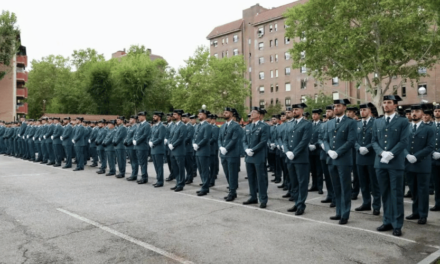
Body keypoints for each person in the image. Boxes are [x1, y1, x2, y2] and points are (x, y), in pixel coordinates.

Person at [372, 95, 409, 237]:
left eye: (389, 103)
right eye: (384, 102)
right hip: (380, 163)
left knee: (396, 194)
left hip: (395, 163)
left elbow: (404, 141)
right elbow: (374, 140)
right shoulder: (378, 121)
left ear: (395, 105)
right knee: (385, 193)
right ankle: (387, 220)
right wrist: (382, 153)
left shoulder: (403, 121)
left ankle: (397, 224)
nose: (386, 105)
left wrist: (391, 154)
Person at [322, 99, 357, 225]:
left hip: (343, 160)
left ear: (344, 108)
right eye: (334, 106)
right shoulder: (329, 123)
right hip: (331, 159)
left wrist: (338, 152)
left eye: (338, 106)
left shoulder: (350, 122)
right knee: (335, 187)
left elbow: (351, 141)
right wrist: (329, 151)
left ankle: (345, 214)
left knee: (345, 187)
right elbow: (325, 140)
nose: (336, 108)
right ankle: (338, 212)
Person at [404, 104, 434, 225]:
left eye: (417, 111)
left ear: (422, 113)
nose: (414, 113)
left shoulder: (429, 128)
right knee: (413, 190)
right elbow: (402, 143)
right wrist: (407, 155)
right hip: (409, 164)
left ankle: (423, 215)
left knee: (422, 191)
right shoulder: (406, 127)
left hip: (422, 164)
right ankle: (415, 212)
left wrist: (416, 156)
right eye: (412, 111)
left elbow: (430, 146)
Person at [283, 103, 312, 215]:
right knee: (293, 182)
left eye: (296, 109)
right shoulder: (289, 124)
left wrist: (294, 153)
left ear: (301, 111)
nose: (294, 111)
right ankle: (296, 202)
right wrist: (287, 151)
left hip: (301, 158)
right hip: (290, 158)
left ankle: (301, 205)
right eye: (293, 110)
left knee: (302, 182)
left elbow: (304, 141)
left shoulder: (307, 124)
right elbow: (285, 140)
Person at [355, 103, 381, 216]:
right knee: (363, 182)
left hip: (371, 157)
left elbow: (377, 139)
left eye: (364, 109)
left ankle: (376, 206)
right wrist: (359, 147)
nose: (362, 112)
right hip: (360, 156)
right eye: (361, 110)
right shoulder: (357, 124)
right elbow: (353, 139)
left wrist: (367, 148)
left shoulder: (375, 122)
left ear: (370, 111)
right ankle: (366, 203)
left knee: (374, 183)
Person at [243, 107, 269, 208]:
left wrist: (252, 150)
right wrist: (246, 149)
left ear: (259, 115)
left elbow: (263, 141)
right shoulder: (248, 126)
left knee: (260, 178)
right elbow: (244, 140)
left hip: (258, 156)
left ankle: (263, 199)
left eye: (254, 112)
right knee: (251, 178)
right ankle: (253, 197)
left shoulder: (264, 126)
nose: (252, 114)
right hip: (249, 156)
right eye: (251, 112)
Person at [219, 107, 241, 201]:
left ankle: (232, 192)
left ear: (232, 114)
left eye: (226, 112)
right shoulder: (223, 126)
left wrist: (226, 148)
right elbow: (219, 138)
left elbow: (234, 139)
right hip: (223, 154)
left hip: (232, 153)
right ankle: (232, 191)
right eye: (224, 112)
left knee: (232, 174)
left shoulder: (236, 125)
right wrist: (220, 147)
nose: (224, 114)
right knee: (227, 173)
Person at [319, 106, 336, 207]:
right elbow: (320, 137)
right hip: (324, 154)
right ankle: (329, 195)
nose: (327, 113)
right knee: (327, 177)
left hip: (333, 153)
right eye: (326, 111)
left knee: (333, 178)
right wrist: (322, 144)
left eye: (329, 111)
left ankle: (335, 197)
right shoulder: (324, 124)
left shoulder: (335, 123)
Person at [193, 109, 212, 196]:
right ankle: (204, 186)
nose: (198, 115)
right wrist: (194, 143)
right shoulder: (197, 125)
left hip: (203, 151)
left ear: (205, 115)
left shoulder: (207, 125)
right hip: (197, 150)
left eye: (200, 114)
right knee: (200, 170)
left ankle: (205, 188)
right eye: (198, 114)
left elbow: (206, 138)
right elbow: (194, 136)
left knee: (204, 170)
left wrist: (198, 145)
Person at [168, 109, 187, 192]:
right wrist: (169, 143)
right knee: (175, 168)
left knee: (180, 168)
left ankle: (181, 184)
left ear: (179, 116)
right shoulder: (174, 125)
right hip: (172, 150)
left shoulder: (182, 126)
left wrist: (173, 144)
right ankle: (177, 182)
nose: (173, 116)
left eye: (175, 114)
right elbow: (170, 136)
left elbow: (181, 138)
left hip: (179, 150)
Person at [133, 112, 151, 184]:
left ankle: (144, 178)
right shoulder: (139, 125)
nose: (138, 118)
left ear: (144, 116)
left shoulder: (147, 125)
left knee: (143, 163)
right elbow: (136, 133)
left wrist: (137, 141)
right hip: (138, 146)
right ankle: (144, 176)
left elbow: (145, 135)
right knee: (140, 162)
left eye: (140, 116)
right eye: (138, 117)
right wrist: (134, 139)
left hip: (143, 146)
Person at [149, 111, 167, 187]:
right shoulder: (154, 126)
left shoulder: (162, 126)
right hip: (153, 149)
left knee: (159, 166)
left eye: (155, 116)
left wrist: (153, 143)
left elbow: (160, 138)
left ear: (159, 117)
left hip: (158, 149)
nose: (153, 118)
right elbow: (151, 136)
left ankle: (160, 181)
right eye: (153, 116)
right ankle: (158, 179)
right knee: (156, 166)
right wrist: (150, 141)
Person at [308, 109, 323, 194]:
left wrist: (315, 145)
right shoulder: (310, 125)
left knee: (318, 169)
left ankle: (320, 187)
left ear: (319, 115)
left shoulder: (322, 124)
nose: (314, 116)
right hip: (310, 150)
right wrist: (309, 144)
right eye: (313, 114)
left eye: (316, 114)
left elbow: (322, 137)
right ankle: (314, 185)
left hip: (318, 150)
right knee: (312, 169)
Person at [431, 105, 440, 212]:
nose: (437, 113)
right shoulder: (430, 126)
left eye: (439, 111)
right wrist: (433, 152)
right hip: (433, 159)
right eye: (436, 111)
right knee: (436, 184)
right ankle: (438, 203)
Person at [182, 113, 195, 184]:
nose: (182, 119)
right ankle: (187, 176)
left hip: (188, 147)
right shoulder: (184, 126)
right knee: (186, 164)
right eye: (182, 118)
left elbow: (189, 137)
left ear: (187, 118)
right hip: (184, 147)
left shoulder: (190, 126)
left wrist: (181, 142)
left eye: (184, 118)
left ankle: (190, 177)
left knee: (189, 163)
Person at [124, 116, 139, 181]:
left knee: (134, 161)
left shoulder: (136, 127)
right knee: (132, 161)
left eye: (131, 119)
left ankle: (134, 175)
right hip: (128, 146)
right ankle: (133, 174)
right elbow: (127, 136)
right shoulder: (130, 127)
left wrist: (129, 142)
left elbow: (134, 136)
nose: (129, 120)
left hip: (132, 146)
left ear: (134, 120)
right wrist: (125, 141)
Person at [208, 114, 219, 187]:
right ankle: (209, 179)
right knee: (209, 165)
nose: (210, 121)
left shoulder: (215, 128)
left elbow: (214, 138)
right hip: (209, 148)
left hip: (213, 148)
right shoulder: (209, 127)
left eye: (211, 119)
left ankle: (212, 180)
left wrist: (206, 142)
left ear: (214, 120)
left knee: (212, 165)